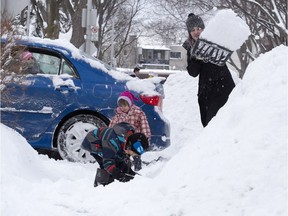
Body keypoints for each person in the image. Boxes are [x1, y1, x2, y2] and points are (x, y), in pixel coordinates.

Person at [182, 13, 235, 127]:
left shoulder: (214, 41)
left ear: (204, 29)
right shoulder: (190, 48)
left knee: (224, 122)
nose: (196, 32)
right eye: (193, 30)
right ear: (190, 33)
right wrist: (196, 58)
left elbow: (223, 57)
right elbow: (193, 72)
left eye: (199, 28)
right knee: (208, 124)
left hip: (223, 85)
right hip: (206, 90)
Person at [81, 122, 149, 187]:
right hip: (93, 143)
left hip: (110, 144)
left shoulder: (129, 138)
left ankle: (127, 178)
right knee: (106, 166)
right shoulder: (112, 142)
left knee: (120, 160)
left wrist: (130, 172)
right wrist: (118, 175)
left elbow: (123, 157)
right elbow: (108, 162)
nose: (131, 155)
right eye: (132, 153)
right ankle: (101, 186)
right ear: (129, 146)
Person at [109, 90, 151, 171]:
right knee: (123, 153)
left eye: (124, 106)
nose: (122, 108)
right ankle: (126, 167)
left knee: (135, 150)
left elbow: (144, 125)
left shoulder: (138, 113)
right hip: (123, 139)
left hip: (136, 138)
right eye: (120, 106)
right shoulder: (118, 115)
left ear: (130, 104)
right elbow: (112, 126)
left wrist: (146, 138)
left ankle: (138, 166)